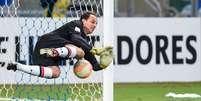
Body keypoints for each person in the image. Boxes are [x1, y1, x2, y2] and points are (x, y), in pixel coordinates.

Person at [7, 11, 113, 79]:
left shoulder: (84, 40)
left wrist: (102, 66)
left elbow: (92, 63)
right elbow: (76, 39)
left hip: (44, 52)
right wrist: (93, 49)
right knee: (80, 53)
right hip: (47, 42)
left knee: (56, 73)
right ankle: (55, 51)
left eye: (96, 23)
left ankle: (18, 66)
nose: (94, 25)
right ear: (83, 20)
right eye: (92, 21)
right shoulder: (76, 24)